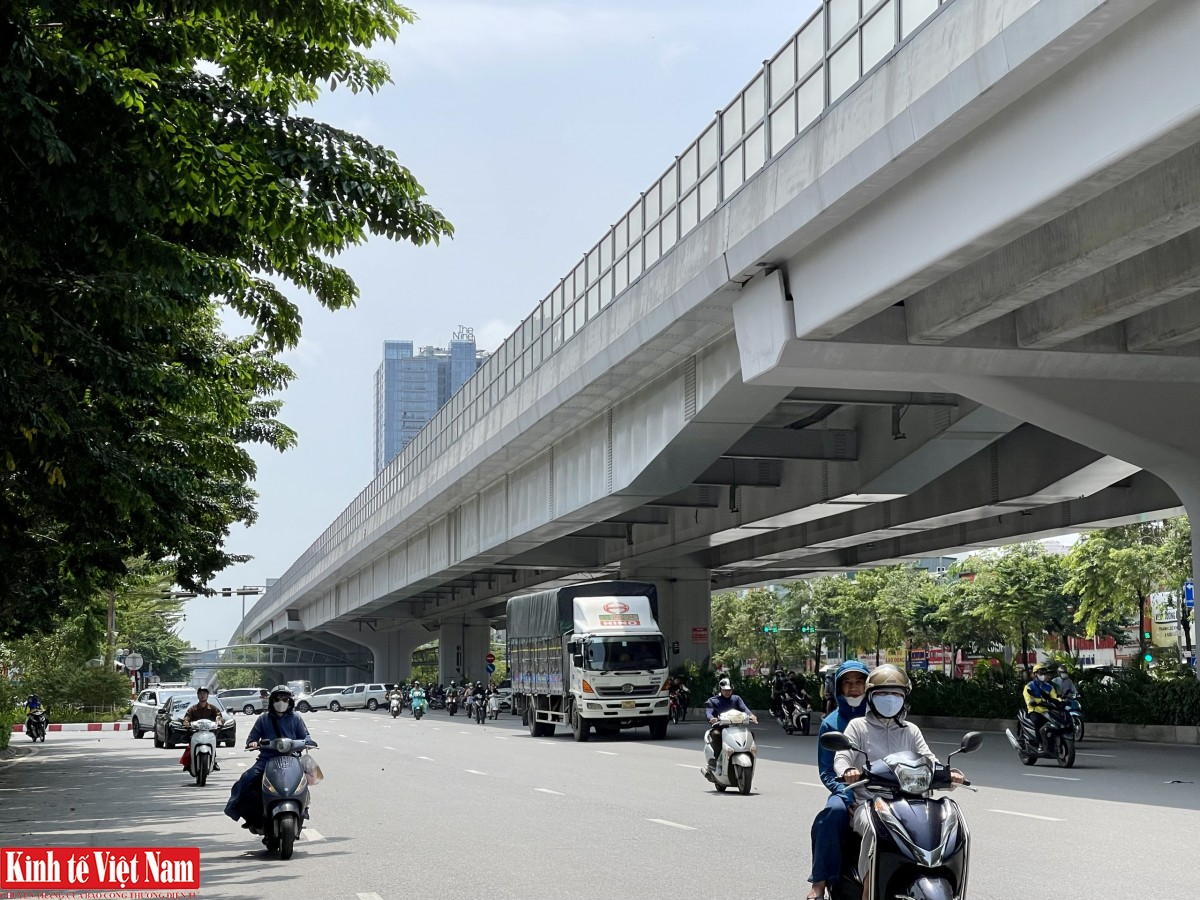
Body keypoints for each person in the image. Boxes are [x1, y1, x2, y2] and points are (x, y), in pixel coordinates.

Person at [831, 665, 964, 894]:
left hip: (913, 803)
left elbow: (929, 759)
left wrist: (949, 774)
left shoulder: (911, 730)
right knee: (874, 831)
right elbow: (842, 756)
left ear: (904, 698)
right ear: (870, 697)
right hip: (871, 803)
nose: (890, 699)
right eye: (883, 693)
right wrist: (847, 770)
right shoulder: (858, 727)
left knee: (949, 826)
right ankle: (869, 890)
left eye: (896, 694)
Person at [806, 660, 869, 900]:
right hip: (846, 790)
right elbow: (827, 771)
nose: (854, 688)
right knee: (832, 814)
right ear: (839, 688)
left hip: (882, 789)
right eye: (847, 683)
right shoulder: (830, 723)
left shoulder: (880, 718)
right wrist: (848, 795)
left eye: (859, 682)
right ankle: (819, 882)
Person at [224, 685, 315, 833]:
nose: (281, 702)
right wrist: (253, 743)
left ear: (290, 701)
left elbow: (305, 736)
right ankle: (239, 811)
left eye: (285, 699)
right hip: (267, 760)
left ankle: (304, 808)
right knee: (246, 780)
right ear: (272, 701)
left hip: (292, 758)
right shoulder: (263, 719)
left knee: (303, 781)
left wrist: (309, 742)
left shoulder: (296, 718)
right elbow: (252, 739)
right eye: (277, 699)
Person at [703, 678, 757, 768]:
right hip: (720, 728)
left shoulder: (736, 699)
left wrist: (751, 715)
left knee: (750, 734)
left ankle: (749, 755)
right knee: (716, 734)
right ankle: (717, 759)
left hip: (737, 727)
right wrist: (712, 718)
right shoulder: (713, 700)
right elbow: (709, 712)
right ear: (720, 689)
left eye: (729, 690)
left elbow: (744, 708)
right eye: (725, 690)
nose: (727, 692)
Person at [181, 686, 224, 771]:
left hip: (209, 732)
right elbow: (186, 719)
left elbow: (219, 716)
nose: (202, 695)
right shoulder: (192, 709)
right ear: (197, 695)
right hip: (195, 732)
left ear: (207, 695)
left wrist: (219, 721)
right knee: (189, 743)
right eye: (200, 693)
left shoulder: (213, 708)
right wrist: (186, 724)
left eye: (204, 693)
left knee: (213, 742)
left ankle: (214, 761)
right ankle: (189, 762)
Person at [1023, 663, 1061, 751]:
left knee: (1057, 722)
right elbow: (1028, 698)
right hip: (1035, 710)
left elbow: (1054, 697)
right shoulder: (1029, 686)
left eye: (1044, 673)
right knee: (1038, 722)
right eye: (1041, 673)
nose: (1043, 675)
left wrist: (1061, 701)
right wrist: (1033, 701)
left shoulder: (1049, 687)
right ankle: (1040, 743)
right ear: (1035, 674)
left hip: (1047, 710)